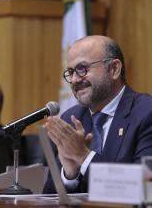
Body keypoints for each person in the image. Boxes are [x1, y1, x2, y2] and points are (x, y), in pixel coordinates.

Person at [43, 35, 152, 193]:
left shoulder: (146, 112)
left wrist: (83, 157)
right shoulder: (71, 119)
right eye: (70, 72)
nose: (74, 80)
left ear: (114, 69)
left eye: (82, 69)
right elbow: (47, 196)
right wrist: (70, 175)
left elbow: (145, 186)